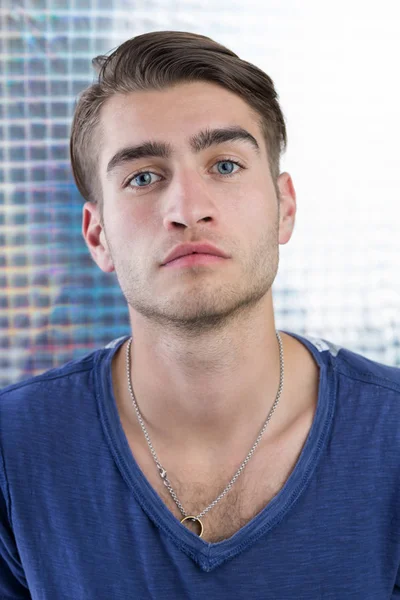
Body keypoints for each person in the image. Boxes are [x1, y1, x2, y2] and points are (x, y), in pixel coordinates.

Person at [0, 30, 399, 600]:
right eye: (143, 177)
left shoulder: (391, 436)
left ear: (284, 207)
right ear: (97, 235)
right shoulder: (13, 451)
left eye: (227, 165)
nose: (188, 209)